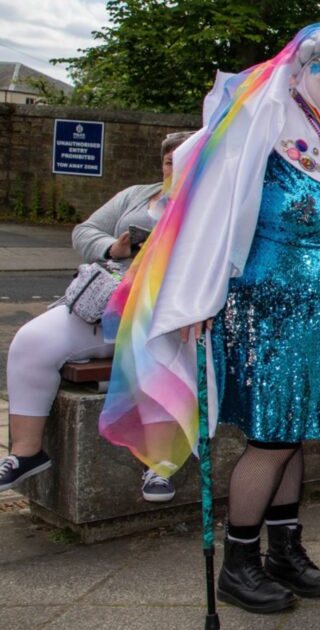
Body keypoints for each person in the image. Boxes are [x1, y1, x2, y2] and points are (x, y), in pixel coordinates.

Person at [100, 22, 320, 615]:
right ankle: (240, 562)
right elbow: (206, 210)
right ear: (299, 69)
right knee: (272, 438)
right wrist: (194, 297)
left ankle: (285, 550)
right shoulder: (263, 124)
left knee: (294, 432)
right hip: (269, 306)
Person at [1, 131, 193, 501]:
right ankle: (26, 453)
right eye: (170, 161)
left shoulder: (212, 204)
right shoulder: (138, 194)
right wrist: (112, 246)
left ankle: (161, 465)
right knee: (31, 341)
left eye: (187, 160)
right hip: (104, 307)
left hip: (164, 318)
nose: (176, 167)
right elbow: (84, 230)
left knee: (160, 360)